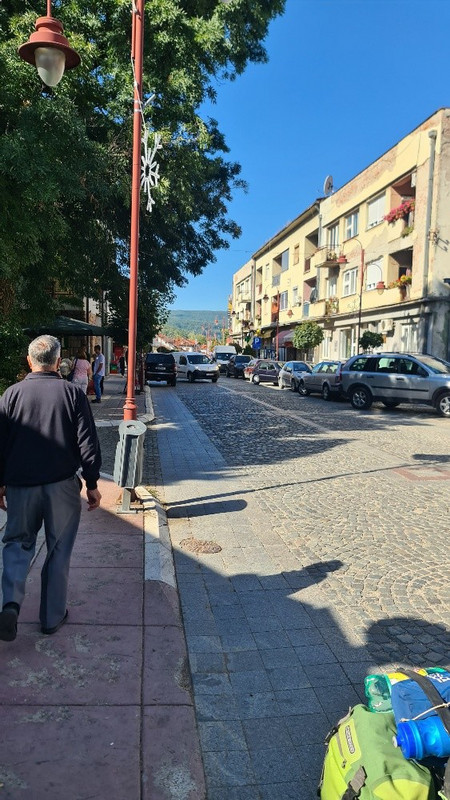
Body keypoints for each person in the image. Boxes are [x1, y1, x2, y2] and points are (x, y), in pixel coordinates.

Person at [0, 335, 101, 642]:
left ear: (29, 361)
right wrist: (93, 483)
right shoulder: (72, 394)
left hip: (20, 486)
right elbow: (88, 442)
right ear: (59, 362)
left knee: (17, 543)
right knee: (58, 548)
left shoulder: (11, 394)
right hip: (61, 486)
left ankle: (11, 605)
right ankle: (51, 617)